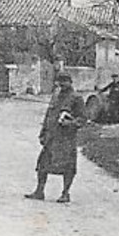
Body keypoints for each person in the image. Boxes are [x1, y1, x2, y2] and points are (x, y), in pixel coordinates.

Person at [25, 71, 85, 203]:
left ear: (70, 82)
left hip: (66, 139)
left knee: (68, 167)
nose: (62, 84)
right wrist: (43, 132)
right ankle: (39, 191)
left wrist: (70, 123)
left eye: (64, 81)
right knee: (42, 165)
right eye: (60, 81)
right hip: (51, 137)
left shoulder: (76, 98)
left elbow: (82, 119)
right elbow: (48, 115)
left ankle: (65, 193)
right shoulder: (56, 96)